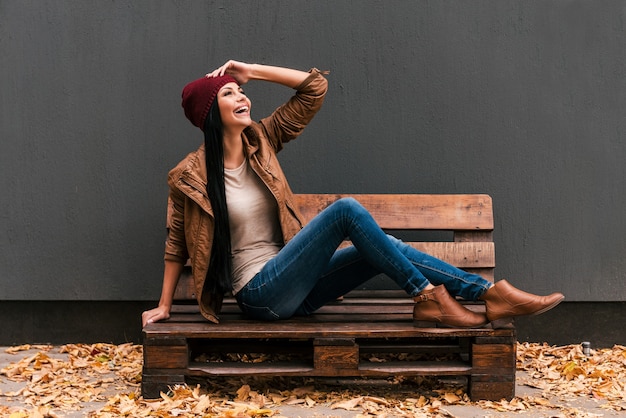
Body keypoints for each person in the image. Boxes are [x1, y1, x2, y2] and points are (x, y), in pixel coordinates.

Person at [141, 60, 564, 328]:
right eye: (229, 92)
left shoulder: (263, 140)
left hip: (299, 288)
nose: (243, 94)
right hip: (259, 294)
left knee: (385, 244)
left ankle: (487, 295)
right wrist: (164, 305)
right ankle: (425, 296)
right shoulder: (189, 177)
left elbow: (313, 90)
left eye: (241, 88)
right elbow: (177, 243)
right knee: (346, 211)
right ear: (208, 114)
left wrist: (253, 68)